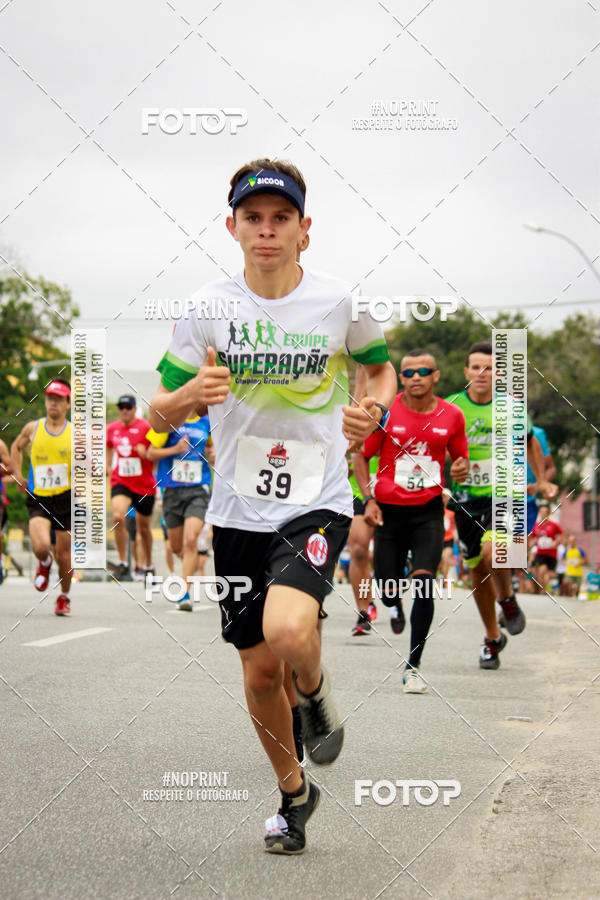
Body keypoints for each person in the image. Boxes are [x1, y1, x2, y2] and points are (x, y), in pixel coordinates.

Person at [149, 157, 396, 854]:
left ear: (304, 230)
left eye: (280, 218)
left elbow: (376, 367)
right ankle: (294, 794)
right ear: (232, 227)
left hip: (315, 500)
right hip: (235, 513)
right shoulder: (206, 309)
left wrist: (371, 408)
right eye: (253, 218)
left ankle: (314, 692)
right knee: (259, 675)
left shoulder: (338, 302)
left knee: (289, 634)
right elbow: (161, 414)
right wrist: (186, 397)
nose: (266, 231)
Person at [355, 350, 469, 692]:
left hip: (428, 512)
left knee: (424, 582)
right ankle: (393, 604)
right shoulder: (387, 415)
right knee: (388, 591)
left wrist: (460, 470)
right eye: (408, 372)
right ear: (401, 379)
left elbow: (460, 461)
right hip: (389, 512)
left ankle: (414, 665)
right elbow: (362, 459)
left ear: (436, 376)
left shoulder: (453, 415)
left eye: (423, 371)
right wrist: (368, 500)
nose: (416, 376)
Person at [447, 342, 557, 669]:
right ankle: (493, 638)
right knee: (477, 571)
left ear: (498, 374)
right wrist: (441, 479)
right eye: (476, 367)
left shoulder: (513, 407)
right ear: (466, 372)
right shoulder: (451, 407)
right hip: (467, 498)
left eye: (489, 368)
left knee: (497, 551)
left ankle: (507, 598)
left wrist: (541, 479)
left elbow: (529, 441)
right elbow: (437, 447)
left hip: (505, 493)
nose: (482, 374)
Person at [10, 379, 73, 615]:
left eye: (58, 399)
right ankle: (44, 562)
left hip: (65, 498)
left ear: (67, 403)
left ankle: (64, 597)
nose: (53, 403)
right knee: (41, 546)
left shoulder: (75, 433)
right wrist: (17, 475)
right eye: (50, 398)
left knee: (64, 555)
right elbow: (16, 447)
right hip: (39, 496)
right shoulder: (33, 428)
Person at [146, 413, 212, 611]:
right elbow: (150, 453)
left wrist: (214, 452)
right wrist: (175, 449)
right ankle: (187, 563)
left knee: (191, 540)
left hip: (198, 488)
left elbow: (213, 445)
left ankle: (184, 593)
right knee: (176, 547)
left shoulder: (206, 423)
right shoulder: (168, 420)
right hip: (172, 489)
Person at [106, 395, 156, 581]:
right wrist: (108, 464)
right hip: (122, 481)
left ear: (134, 409)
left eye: (128, 407)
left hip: (144, 485)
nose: (124, 410)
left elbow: (156, 450)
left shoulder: (146, 427)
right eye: (121, 407)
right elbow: (108, 446)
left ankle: (149, 564)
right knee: (118, 516)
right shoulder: (112, 429)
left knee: (144, 529)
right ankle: (122, 562)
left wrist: (147, 453)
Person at [530, 504, 563, 592]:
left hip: (552, 553)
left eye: (545, 512)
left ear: (548, 513)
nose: (543, 514)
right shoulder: (536, 525)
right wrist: (532, 544)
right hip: (541, 553)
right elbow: (532, 538)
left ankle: (546, 588)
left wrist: (555, 542)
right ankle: (543, 590)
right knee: (541, 571)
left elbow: (561, 535)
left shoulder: (554, 525)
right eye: (541, 512)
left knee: (548, 574)